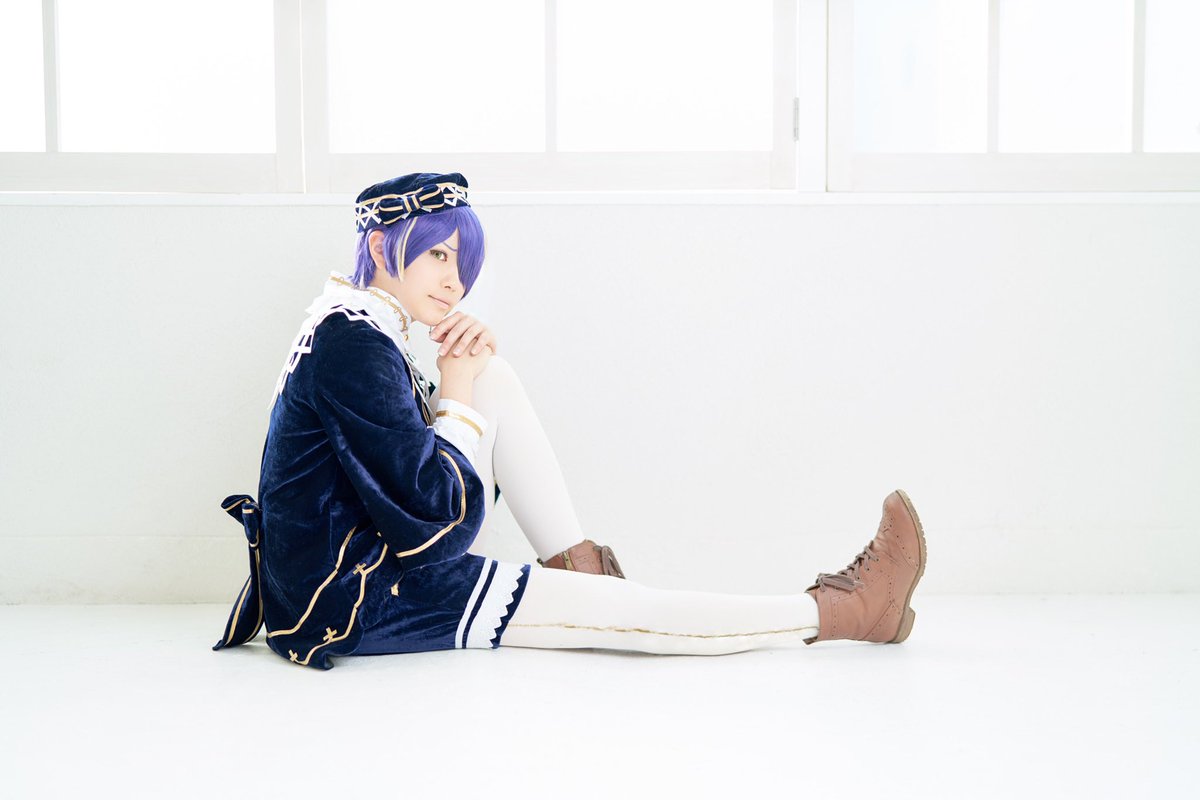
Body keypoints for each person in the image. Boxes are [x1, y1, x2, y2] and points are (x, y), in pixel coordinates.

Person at [212, 172, 928, 670]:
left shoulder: (351, 325)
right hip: (357, 599)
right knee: (639, 617)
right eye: (436, 254)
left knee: (490, 372)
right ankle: (845, 610)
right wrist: (455, 388)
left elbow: (403, 467)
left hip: (347, 572)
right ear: (378, 248)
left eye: (462, 261)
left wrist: (468, 377)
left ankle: (583, 577)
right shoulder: (353, 344)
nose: (454, 280)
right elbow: (432, 525)